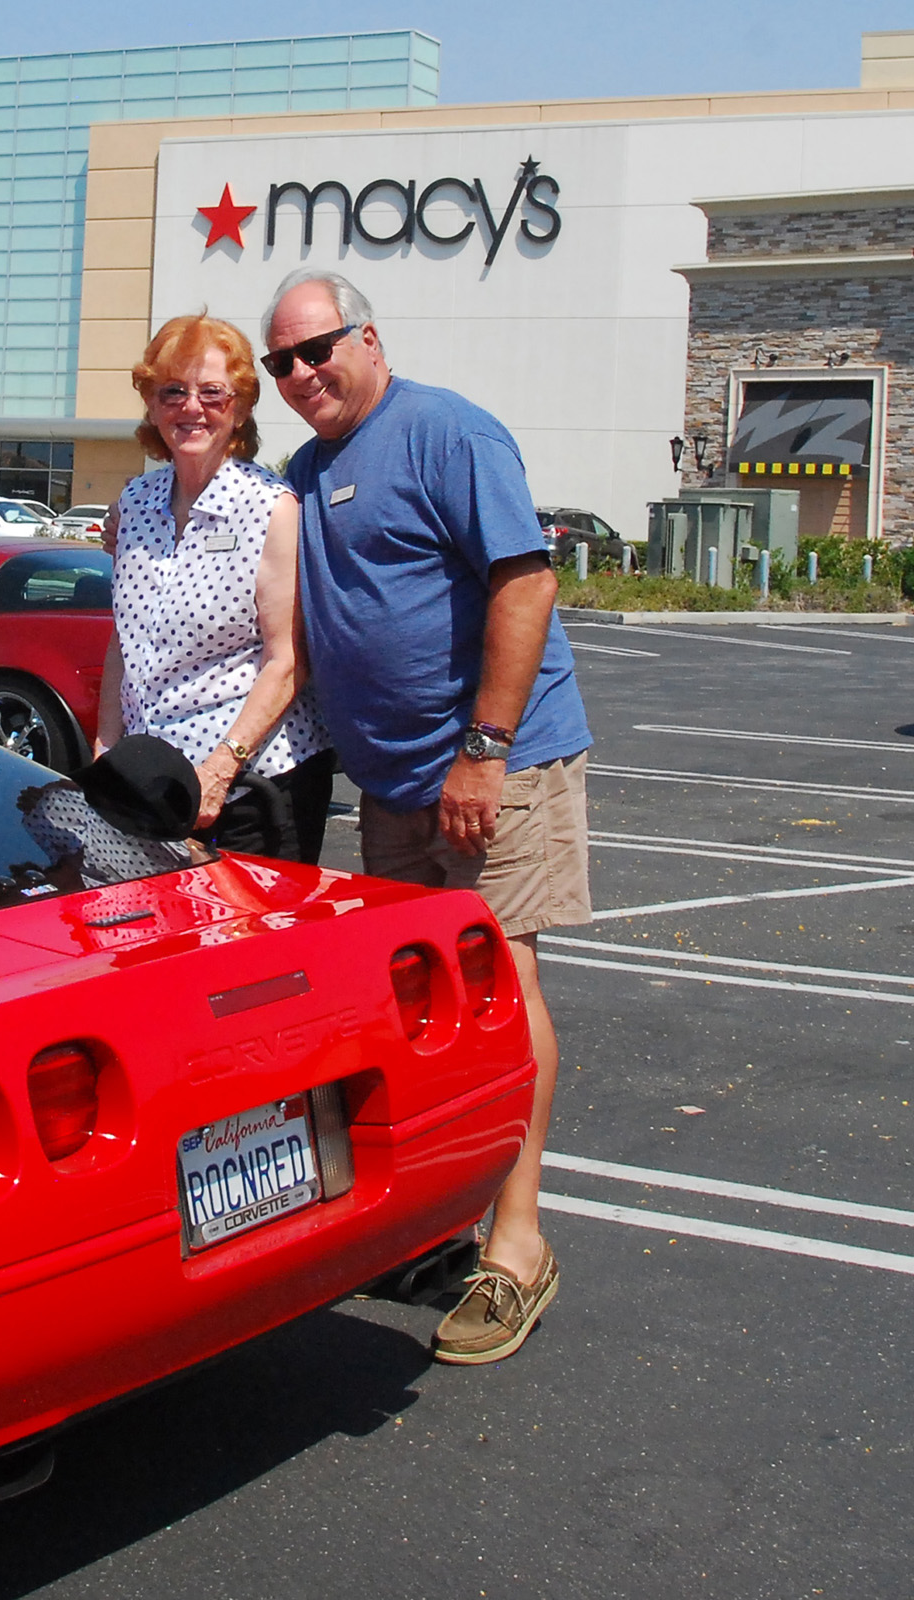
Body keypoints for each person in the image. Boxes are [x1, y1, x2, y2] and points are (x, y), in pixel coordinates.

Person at [263, 266, 591, 1365]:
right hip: (394, 787)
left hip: (493, 769)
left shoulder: (448, 431)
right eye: (283, 364)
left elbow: (527, 583)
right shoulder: (308, 470)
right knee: (426, 1008)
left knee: (507, 982)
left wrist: (484, 751)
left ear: (369, 336)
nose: (303, 375)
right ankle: (445, 1219)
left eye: (318, 350)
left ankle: (520, 1245)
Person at [95, 313, 333, 863]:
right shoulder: (134, 502)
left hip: (255, 787)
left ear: (242, 406)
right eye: (172, 391)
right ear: (152, 406)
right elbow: (122, 641)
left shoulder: (270, 508)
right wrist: (107, 747)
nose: (191, 408)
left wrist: (219, 770)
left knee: (249, 945)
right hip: (153, 781)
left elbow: (287, 660)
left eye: (212, 393)